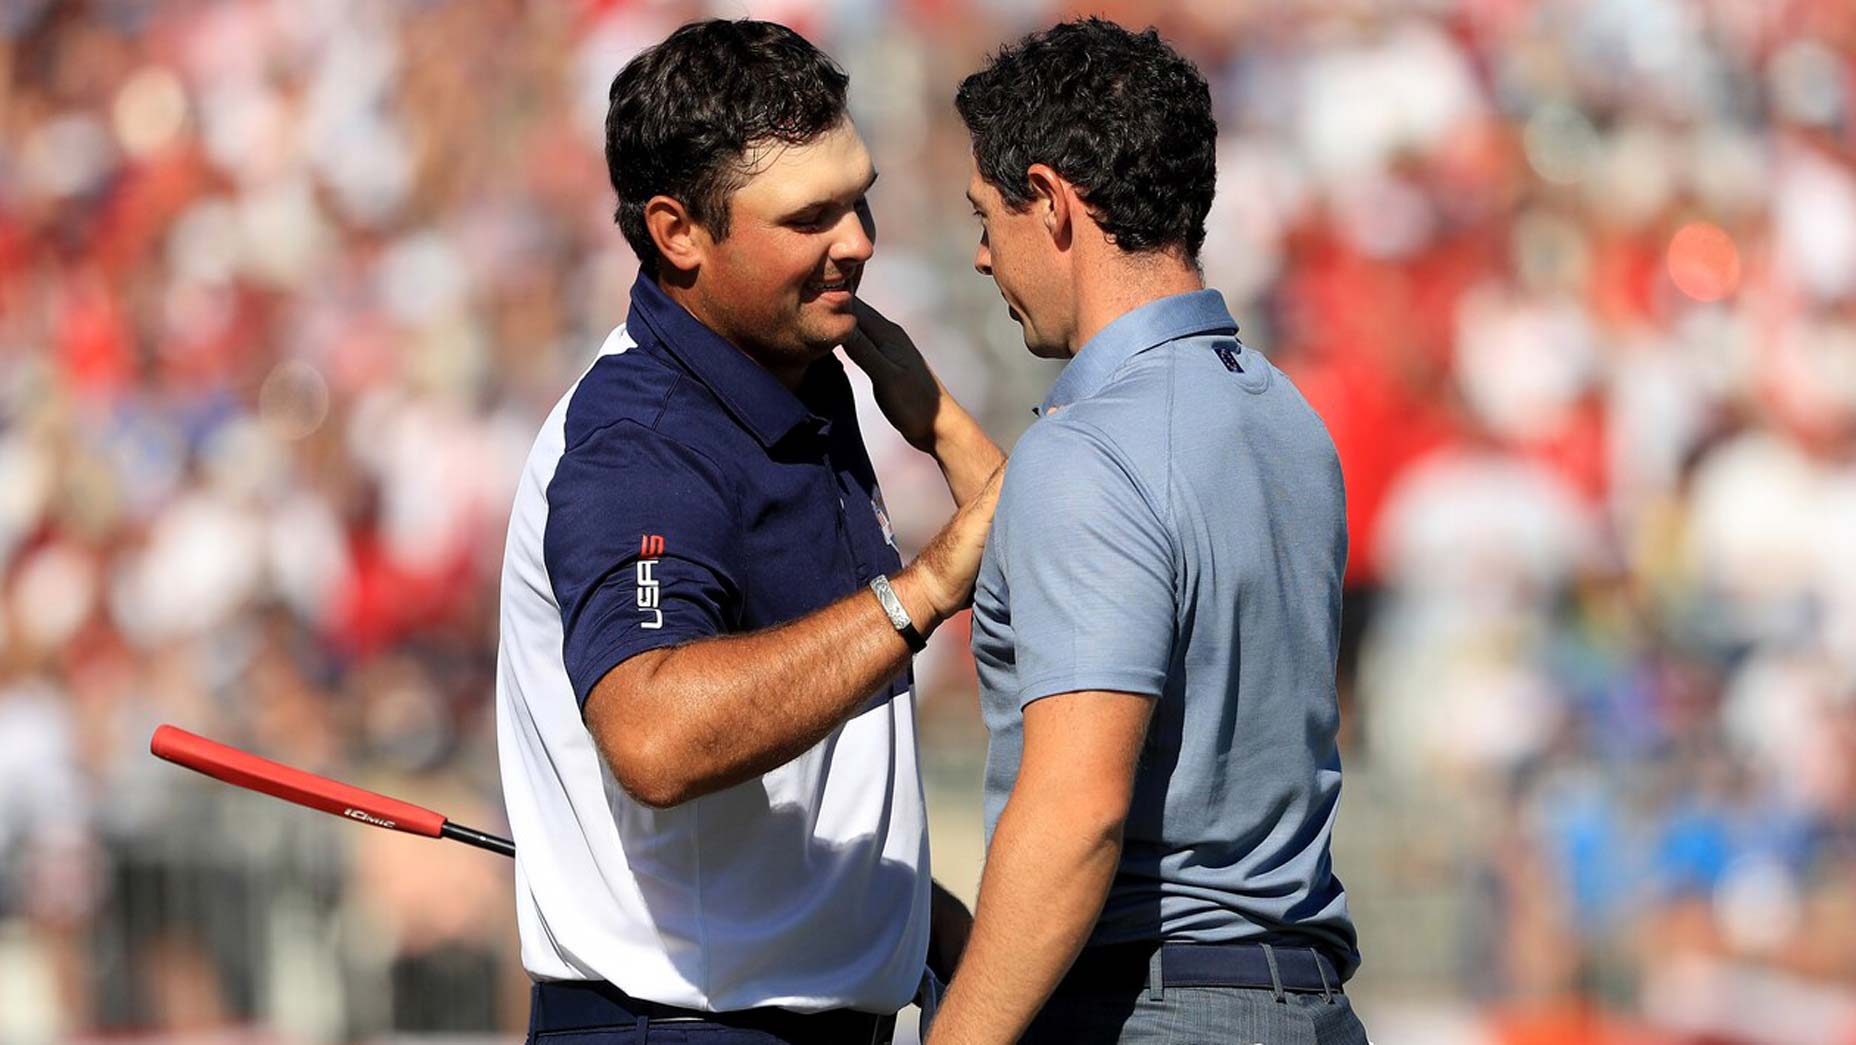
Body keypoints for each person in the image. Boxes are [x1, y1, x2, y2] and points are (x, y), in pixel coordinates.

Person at [493, 19, 1000, 1044]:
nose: (856, 239)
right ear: (679, 232)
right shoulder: (639, 442)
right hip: (681, 1025)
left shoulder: (803, 369)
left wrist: (940, 423)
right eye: (809, 215)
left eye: (859, 197)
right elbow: (653, 735)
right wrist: (923, 588)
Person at [926, 19, 1368, 1045]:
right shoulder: (1281, 417)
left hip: (1149, 1008)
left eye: (988, 216)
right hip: (1305, 1005)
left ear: (1053, 200)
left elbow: (1077, 813)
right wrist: (939, 421)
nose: (985, 255)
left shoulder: (1089, 449)